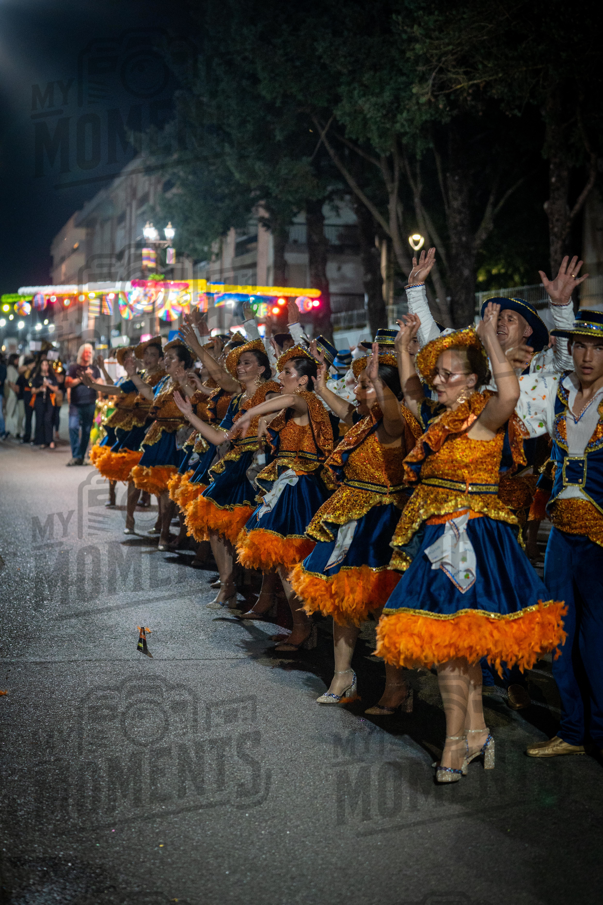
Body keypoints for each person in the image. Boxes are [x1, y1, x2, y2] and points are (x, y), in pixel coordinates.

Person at [375, 305, 566, 782]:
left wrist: (489, 340)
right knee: (458, 644)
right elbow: (414, 393)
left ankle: (455, 743)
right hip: (440, 539)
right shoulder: (441, 425)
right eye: (438, 374)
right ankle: (476, 733)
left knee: (452, 642)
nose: (437, 382)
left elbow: (511, 391)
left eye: (447, 375)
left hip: (474, 539)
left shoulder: (485, 418)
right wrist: (403, 348)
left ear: (471, 381)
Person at [290, 345, 421, 707]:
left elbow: (391, 413)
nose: (358, 391)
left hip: (382, 521)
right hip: (351, 515)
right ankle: (343, 674)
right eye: (361, 384)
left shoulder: (398, 423)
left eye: (367, 386)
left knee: (382, 604)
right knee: (341, 599)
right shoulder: (362, 422)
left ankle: (397, 685)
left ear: (386, 391)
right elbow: (344, 407)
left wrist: (378, 381)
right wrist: (321, 386)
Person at [514, 307, 603, 759]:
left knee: (598, 638)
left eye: (599, 347)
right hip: (562, 538)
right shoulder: (555, 394)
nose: (588, 356)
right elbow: (505, 389)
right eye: (581, 345)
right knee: (560, 634)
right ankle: (571, 730)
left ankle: (600, 733)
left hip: (601, 542)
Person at [233, 345, 335, 650]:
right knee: (284, 562)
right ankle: (301, 625)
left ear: (303, 380)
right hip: (287, 485)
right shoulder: (292, 406)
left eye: (288, 372)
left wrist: (249, 413)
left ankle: (304, 628)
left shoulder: (305, 400)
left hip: (299, 489)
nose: (281, 376)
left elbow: (289, 398)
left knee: (291, 561)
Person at [174, 321, 280, 608]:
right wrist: (190, 415)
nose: (241, 367)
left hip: (259, 466)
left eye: (247, 363)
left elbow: (221, 376)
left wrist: (196, 346)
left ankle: (265, 596)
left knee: (262, 531)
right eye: (239, 363)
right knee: (214, 522)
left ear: (261, 368)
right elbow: (220, 437)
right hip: (233, 463)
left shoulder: (270, 390)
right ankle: (227, 584)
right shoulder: (235, 401)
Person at [130, 339, 197, 549]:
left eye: (171, 358)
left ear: (183, 363)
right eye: (165, 357)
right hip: (160, 436)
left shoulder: (190, 380)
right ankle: (166, 530)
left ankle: (171, 532)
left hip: (179, 438)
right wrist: (133, 375)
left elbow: (198, 403)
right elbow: (151, 396)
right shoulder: (165, 380)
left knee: (175, 488)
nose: (165, 360)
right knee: (163, 488)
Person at [65, 343, 101, 465]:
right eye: (86, 352)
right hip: (76, 403)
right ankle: (76, 455)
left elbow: (100, 385)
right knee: (72, 427)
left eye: (90, 352)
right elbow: (67, 383)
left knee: (86, 431)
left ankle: (80, 457)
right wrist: (82, 378)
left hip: (90, 403)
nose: (88, 354)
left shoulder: (95, 369)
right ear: (81, 353)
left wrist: (91, 379)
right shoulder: (74, 368)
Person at [30, 358, 58, 448]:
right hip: (39, 400)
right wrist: (40, 388)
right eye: (43, 365)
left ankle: (50, 440)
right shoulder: (37, 377)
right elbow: (33, 390)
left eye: (46, 365)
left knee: (48, 419)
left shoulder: (52, 377)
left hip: (49, 400)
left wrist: (48, 385)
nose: (45, 367)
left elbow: (56, 389)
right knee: (40, 420)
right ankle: (41, 441)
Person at [16, 357, 35, 444]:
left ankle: (37, 437)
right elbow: (18, 384)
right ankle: (27, 436)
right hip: (27, 396)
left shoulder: (35, 372)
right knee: (28, 418)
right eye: (33, 364)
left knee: (38, 418)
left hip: (36, 396)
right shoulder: (24, 374)